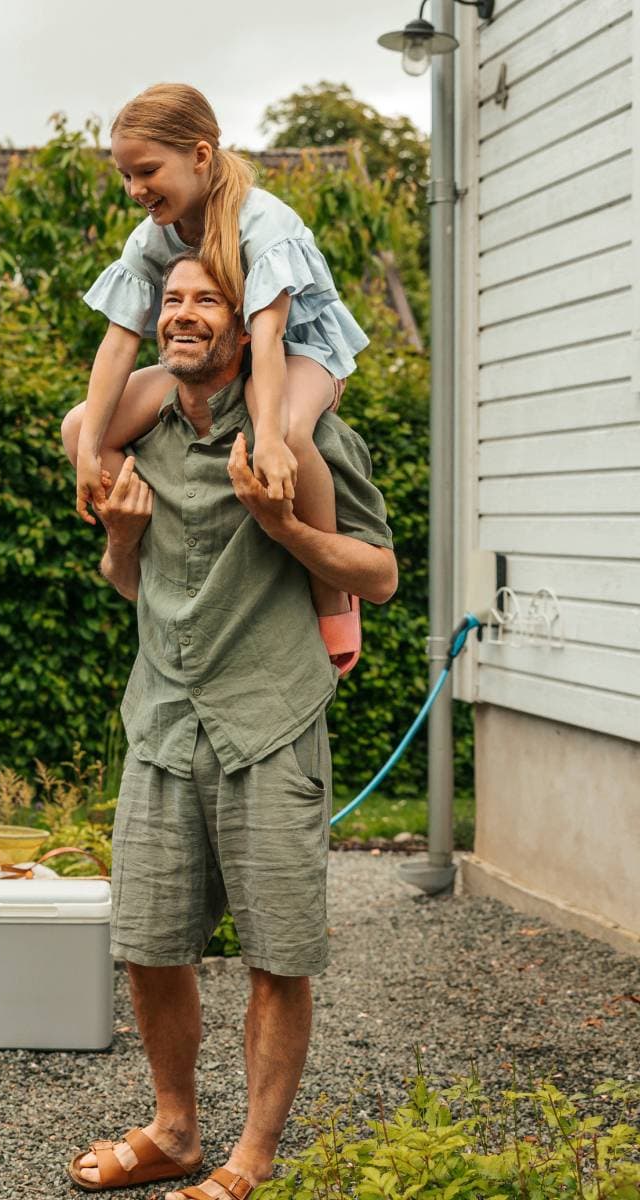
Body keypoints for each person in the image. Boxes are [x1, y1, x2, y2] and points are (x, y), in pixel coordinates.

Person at [66, 252, 396, 1199]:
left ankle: (251, 1153)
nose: (182, 315)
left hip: (269, 721)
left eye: (205, 299)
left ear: (246, 319)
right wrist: (121, 538)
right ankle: (174, 1130)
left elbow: (377, 576)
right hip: (164, 718)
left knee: (276, 953)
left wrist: (288, 528)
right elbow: (128, 581)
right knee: (149, 940)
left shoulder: (303, 431)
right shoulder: (137, 435)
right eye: (170, 300)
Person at [64, 82, 370, 672]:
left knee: (281, 424)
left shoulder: (263, 222)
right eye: (125, 176)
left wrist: (275, 443)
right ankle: (166, 562)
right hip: (218, 352)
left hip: (300, 352)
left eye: (147, 171)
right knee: (82, 425)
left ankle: (332, 594)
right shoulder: (155, 235)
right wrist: (85, 454)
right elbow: (120, 338)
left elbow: (273, 336)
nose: (135, 189)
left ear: (199, 156)